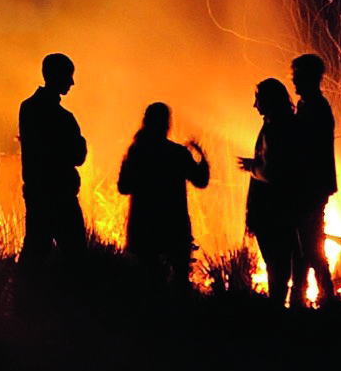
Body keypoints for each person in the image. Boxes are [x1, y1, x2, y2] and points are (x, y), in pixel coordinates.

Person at [114, 99, 209, 283]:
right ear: (167, 123)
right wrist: (203, 159)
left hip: (144, 228)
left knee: (149, 282)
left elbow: (123, 187)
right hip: (174, 228)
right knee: (180, 280)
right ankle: (176, 311)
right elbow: (201, 180)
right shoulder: (177, 153)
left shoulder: (136, 152)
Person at [18, 53, 92, 266]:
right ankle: (73, 298)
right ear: (56, 76)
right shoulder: (63, 118)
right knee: (76, 256)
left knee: (34, 253)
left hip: (37, 195)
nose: (72, 82)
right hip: (60, 198)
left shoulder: (28, 108)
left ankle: (20, 297)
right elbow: (78, 156)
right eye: (68, 76)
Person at [238, 77, 305, 304]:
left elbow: (274, 171)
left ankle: (276, 308)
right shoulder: (280, 124)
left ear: (269, 99)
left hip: (273, 208)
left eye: (258, 98)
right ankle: (283, 305)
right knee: (281, 261)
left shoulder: (276, 128)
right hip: (275, 208)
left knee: (277, 262)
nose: (254, 104)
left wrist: (253, 167)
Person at [287, 52, 339, 310]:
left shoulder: (315, 108)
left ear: (310, 77)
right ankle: (311, 296)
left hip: (310, 187)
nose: (294, 83)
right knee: (304, 242)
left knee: (308, 243)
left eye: (297, 77)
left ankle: (320, 297)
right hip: (311, 186)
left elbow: (305, 150)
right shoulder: (310, 106)